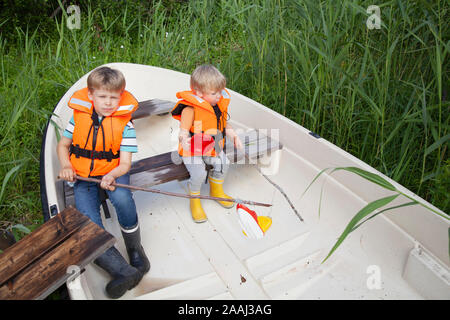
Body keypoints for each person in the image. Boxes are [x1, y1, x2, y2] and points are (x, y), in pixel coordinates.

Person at [57, 66, 150, 299]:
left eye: (113, 97)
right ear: (90, 95)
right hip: (83, 177)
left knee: (123, 199)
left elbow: (125, 164)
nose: (108, 102)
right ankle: (124, 272)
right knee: (87, 223)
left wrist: (111, 175)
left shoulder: (125, 125)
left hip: (113, 172)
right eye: (102, 96)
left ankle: (135, 249)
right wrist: (67, 166)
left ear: (121, 96)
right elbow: (63, 146)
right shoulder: (78, 119)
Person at [171, 64, 243, 223]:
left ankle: (216, 191)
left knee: (224, 162)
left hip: (212, 147)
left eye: (220, 91)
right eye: (214, 93)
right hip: (192, 150)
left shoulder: (218, 105)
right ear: (198, 92)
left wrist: (234, 135)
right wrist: (184, 139)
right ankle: (195, 201)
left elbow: (224, 125)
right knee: (199, 174)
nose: (218, 96)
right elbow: (183, 131)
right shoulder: (189, 109)